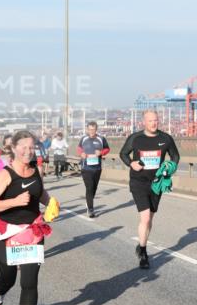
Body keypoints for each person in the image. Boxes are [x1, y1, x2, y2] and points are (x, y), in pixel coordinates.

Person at [0, 130, 56, 305]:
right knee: (8, 278)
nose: (28, 151)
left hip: (32, 231)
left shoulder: (35, 172)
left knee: (30, 281)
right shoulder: (6, 174)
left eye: (31, 147)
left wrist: (51, 203)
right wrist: (14, 201)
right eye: (23, 147)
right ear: (13, 148)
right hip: (6, 232)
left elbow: (40, 194)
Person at [119, 110, 179, 269]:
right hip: (138, 182)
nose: (154, 123)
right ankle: (144, 253)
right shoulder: (136, 138)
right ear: (144, 122)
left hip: (157, 183)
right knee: (145, 218)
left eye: (156, 120)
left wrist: (169, 168)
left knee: (150, 218)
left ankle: (141, 244)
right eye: (151, 121)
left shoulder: (165, 139)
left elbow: (175, 157)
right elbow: (123, 153)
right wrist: (131, 163)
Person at [77, 121, 110, 217]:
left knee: (94, 188)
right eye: (90, 129)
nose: (92, 131)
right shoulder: (83, 138)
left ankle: (89, 201)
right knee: (89, 187)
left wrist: (101, 152)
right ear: (87, 129)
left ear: (96, 129)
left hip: (97, 167)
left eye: (94, 129)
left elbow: (107, 149)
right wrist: (81, 154)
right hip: (86, 167)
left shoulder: (101, 139)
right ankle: (90, 209)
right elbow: (79, 149)